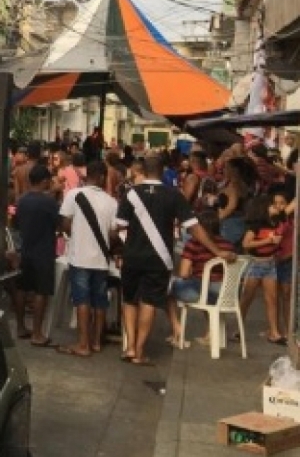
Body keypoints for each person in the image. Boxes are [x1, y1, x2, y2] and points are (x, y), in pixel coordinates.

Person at [116, 155, 235, 366]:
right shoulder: (174, 195)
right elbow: (194, 227)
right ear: (162, 172)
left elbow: (118, 227)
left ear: (142, 170)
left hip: (132, 257)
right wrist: (217, 250)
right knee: (149, 302)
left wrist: (119, 252)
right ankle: (139, 352)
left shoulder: (131, 194)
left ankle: (130, 346)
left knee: (129, 301)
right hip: (159, 259)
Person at [56, 160, 118, 357]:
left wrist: (76, 233)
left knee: (82, 299)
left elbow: (65, 223)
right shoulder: (112, 202)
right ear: (101, 177)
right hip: (101, 259)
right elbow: (113, 234)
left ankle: (83, 344)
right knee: (100, 301)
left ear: (87, 175)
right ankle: (96, 341)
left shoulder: (73, 195)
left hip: (79, 256)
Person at [165, 209, 235, 348]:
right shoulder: (227, 245)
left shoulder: (193, 244)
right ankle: (211, 331)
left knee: (166, 288)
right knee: (205, 290)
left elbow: (184, 273)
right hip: (226, 293)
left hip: (204, 292)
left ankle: (177, 329)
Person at [12, 164, 60, 347]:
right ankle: (37, 332)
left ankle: (20, 326)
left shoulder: (22, 200)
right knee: (41, 291)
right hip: (44, 251)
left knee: (22, 288)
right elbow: (60, 224)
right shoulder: (49, 202)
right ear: (45, 181)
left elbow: (16, 224)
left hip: (26, 250)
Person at [239, 194, 287, 345]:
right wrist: (269, 240)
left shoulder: (276, 222)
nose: (277, 207)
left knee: (271, 299)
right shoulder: (257, 225)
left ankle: (274, 332)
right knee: (247, 299)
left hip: (270, 263)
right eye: (273, 205)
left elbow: (289, 210)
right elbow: (246, 244)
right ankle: (238, 329)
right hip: (255, 264)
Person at [217, 157, 254, 251]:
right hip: (239, 222)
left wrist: (218, 217)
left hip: (230, 225)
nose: (224, 170)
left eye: (226, 167)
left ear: (234, 170)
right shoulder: (241, 183)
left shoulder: (234, 185)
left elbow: (232, 206)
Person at [272, 188, 295, 336]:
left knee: (286, 296)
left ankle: (288, 330)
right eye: (275, 203)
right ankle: (277, 329)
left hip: (287, 261)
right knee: (275, 296)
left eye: (282, 203)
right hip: (275, 260)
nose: (279, 206)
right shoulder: (274, 221)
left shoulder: (290, 222)